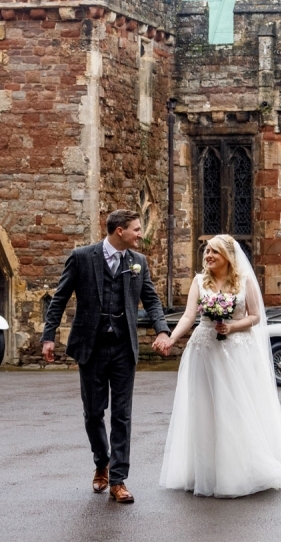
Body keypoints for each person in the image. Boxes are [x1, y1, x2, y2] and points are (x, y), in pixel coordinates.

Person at [155, 234, 281, 498]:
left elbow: (255, 316)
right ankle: (206, 472)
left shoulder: (245, 282)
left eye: (214, 252)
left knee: (235, 407)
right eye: (207, 251)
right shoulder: (200, 281)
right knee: (205, 408)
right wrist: (172, 339)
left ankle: (239, 470)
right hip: (205, 349)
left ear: (228, 257)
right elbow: (189, 315)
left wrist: (231, 326)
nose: (208, 256)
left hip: (236, 351)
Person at [42, 209, 170, 504]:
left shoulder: (138, 262)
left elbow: (150, 298)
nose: (141, 234)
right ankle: (102, 462)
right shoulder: (82, 257)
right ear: (119, 231)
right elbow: (60, 297)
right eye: (137, 229)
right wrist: (48, 337)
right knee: (93, 412)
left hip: (124, 348)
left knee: (122, 415)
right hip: (91, 346)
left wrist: (162, 331)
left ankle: (119, 480)